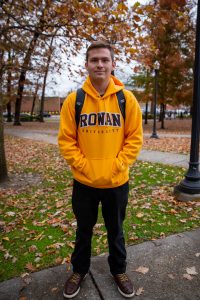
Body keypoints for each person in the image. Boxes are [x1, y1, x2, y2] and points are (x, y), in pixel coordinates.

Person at [58, 41, 143, 298]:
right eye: (94, 60)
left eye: (105, 60)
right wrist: (85, 167)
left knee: (116, 230)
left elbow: (134, 139)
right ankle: (79, 270)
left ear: (113, 64)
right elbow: (66, 141)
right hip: (84, 183)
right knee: (83, 230)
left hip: (117, 182)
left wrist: (117, 166)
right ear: (86, 65)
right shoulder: (75, 101)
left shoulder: (126, 99)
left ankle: (119, 270)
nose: (99, 64)